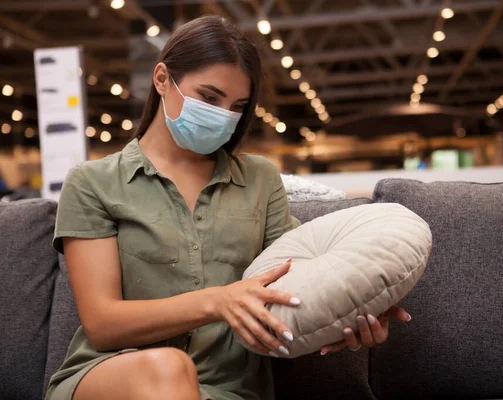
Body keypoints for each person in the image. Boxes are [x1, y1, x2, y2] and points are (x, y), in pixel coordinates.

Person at [45, 15, 411, 400]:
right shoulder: (92, 182)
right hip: (111, 378)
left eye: (237, 105)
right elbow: (103, 324)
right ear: (162, 79)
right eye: (209, 97)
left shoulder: (260, 179)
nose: (224, 116)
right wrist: (218, 301)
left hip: (230, 390)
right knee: (168, 369)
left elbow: (295, 284)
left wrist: (354, 313)